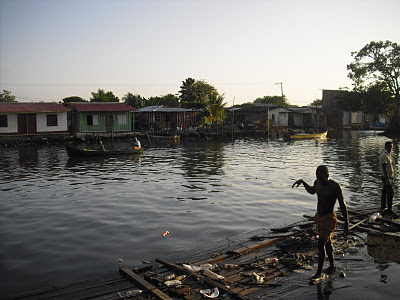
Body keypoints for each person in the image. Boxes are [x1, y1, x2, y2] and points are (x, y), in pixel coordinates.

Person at [292, 165, 349, 280]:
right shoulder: (317, 182)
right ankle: (332, 265)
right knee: (327, 242)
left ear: (327, 176)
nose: (319, 180)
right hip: (319, 217)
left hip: (329, 219)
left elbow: (343, 205)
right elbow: (312, 191)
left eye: (321, 178)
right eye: (317, 177)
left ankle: (318, 273)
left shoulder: (335, 186)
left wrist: (347, 223)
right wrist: (303, 182)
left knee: (320, 244)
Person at [379, 141, 395, 215]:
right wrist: (387, 179)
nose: (390, 148)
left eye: (391, 146)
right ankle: (389, 208)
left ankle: (383, 206)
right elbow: (384, 168)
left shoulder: (388, 155)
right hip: (386, 177)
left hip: (389, 177)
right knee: (390, 192)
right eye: (389, 146)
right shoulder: (384, 156)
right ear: (385, 147)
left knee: (384, 192)